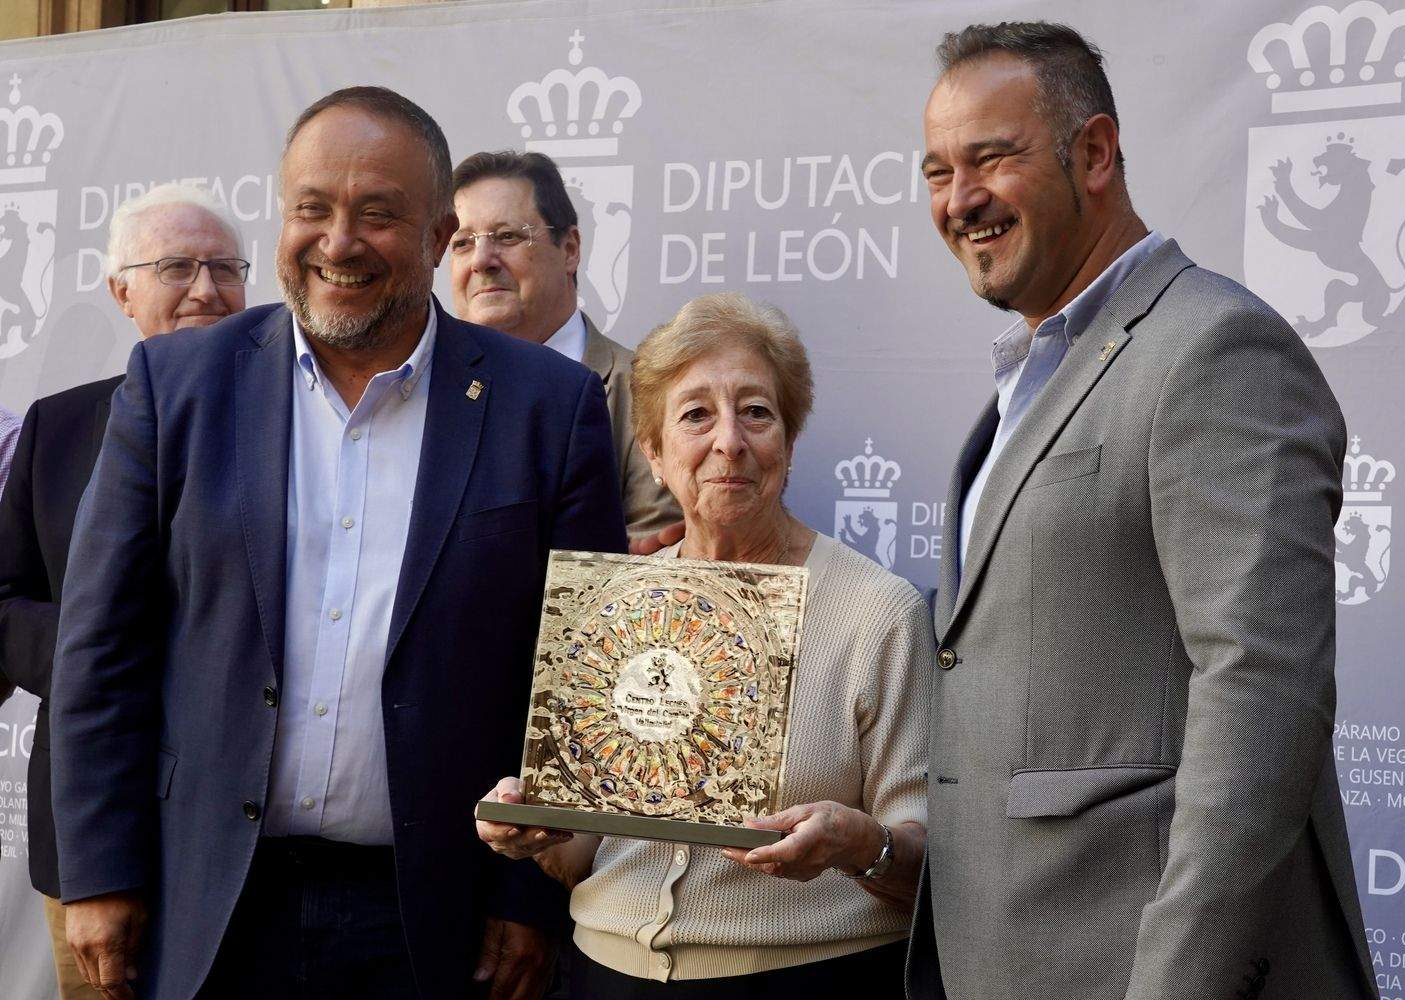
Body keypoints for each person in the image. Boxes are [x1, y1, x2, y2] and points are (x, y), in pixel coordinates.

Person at [49, 86, 625, 1000]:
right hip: (205, 901)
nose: (338, 242)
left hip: (437, 916)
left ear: (439, 238)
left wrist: (530, 896)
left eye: (378, 214)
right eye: (311, 209)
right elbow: (100, 649)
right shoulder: (178, 385)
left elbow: (581, 680)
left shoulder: (546, 409)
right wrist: (99, 872)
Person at [908, 22, 1378, 1000]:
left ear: (1095, 153)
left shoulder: (1215, 351)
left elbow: (1261, 694)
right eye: (938, 171)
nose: (960, 200)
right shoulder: (1031, 379)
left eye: (991, 158)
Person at [476, 292, 933, 998]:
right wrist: (533, 820)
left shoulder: (878, 613)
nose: (730, 442)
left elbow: (928, 873)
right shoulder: (612, 609)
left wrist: (857, 844)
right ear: (654, 455)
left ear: (787, 440)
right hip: (602, 975)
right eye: (695, 415)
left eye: (757, 412)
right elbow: (581, 854)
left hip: (800, 980)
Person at [0, 182, 247, 1000]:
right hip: (87, 840)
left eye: (224, 267)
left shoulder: (306, 425)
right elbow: (3, 600)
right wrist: (94, 648)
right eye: (177, 267)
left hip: (243, 839)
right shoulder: (58, 426)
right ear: (122, 291)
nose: (206, 289)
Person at [449, 150, 679, 541]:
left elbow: (649, 559)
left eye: (507, 236)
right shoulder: (420, 387)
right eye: (462, 243)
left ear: (570, 249)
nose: (481, 260)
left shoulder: (647, 391)